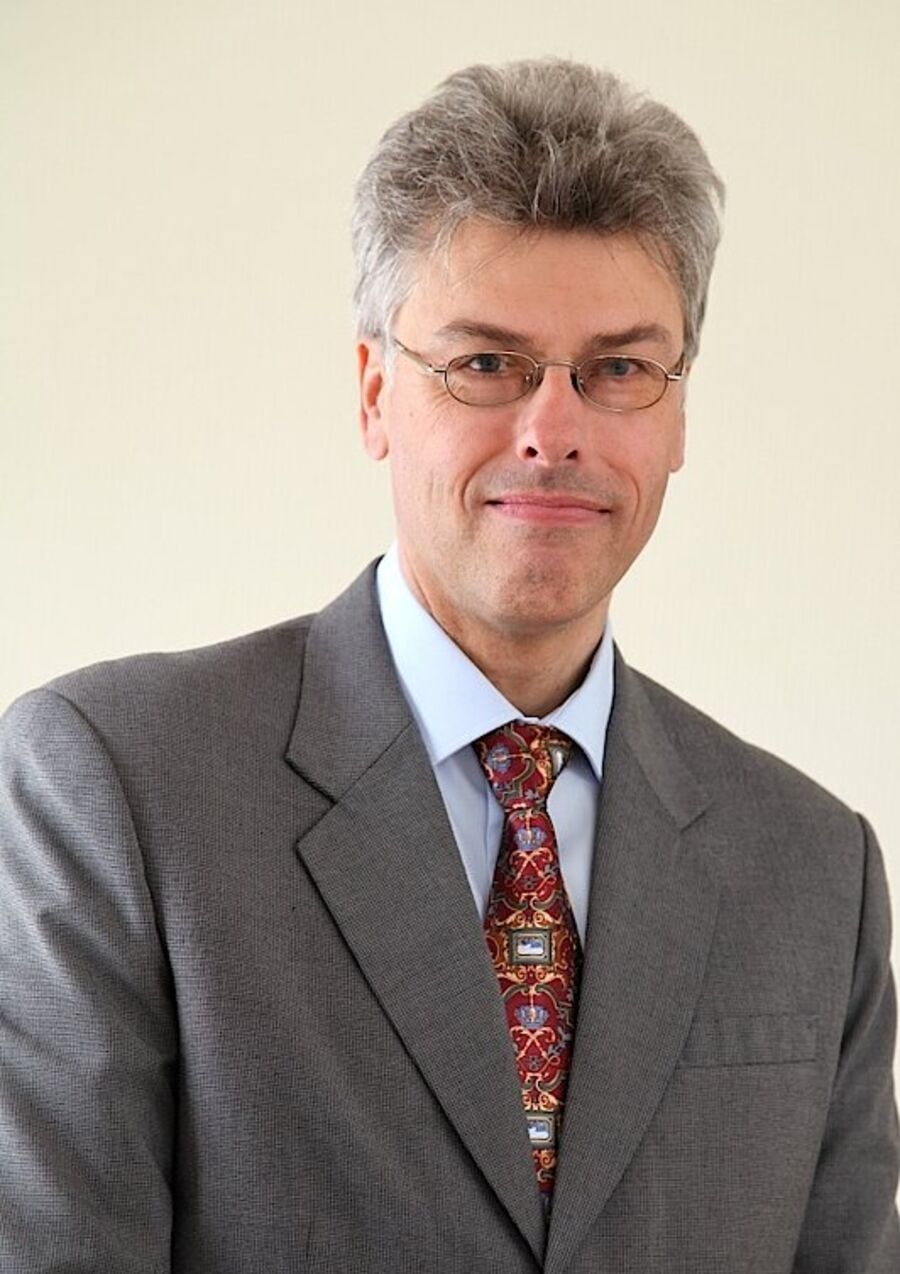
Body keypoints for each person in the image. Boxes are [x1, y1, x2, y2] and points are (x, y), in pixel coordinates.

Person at [1, 57, 897, 1274]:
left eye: (619, 369)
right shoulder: (116, 788)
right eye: (486, 363)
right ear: (376, 392)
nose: (553, 429)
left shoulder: (815, 868)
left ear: (678, 413)